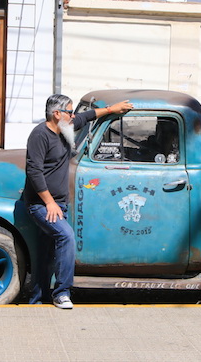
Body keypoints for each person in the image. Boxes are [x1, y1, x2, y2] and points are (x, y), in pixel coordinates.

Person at [24, 93, 133, 309]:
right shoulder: (40, 135)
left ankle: (36, 300)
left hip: (58, 203)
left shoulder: (63, 128)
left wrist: (112, 110)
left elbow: (88, 116)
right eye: (69, 111)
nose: (73, 116)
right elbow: (34, 171)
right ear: (56, 114)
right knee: (66, 237)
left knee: (46, 252)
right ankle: (62, 292)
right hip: (42, 204)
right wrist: (49, 203)